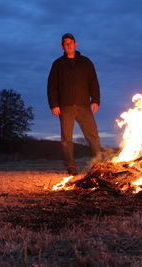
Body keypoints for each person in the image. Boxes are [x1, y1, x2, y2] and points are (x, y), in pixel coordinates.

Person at [47, 33, 101, 175]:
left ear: (75, 44)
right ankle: (71, 168)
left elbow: (93, 83)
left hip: (84, 106)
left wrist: (95, 100)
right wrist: (54, 104)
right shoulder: (58, 64)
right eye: (65, 43)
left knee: (93, 137)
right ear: (62, 47)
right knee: (66, 140)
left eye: (70, 42)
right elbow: (52, 86)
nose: (68, 45)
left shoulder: (86, 62)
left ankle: (99, 166)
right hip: (65, 107)